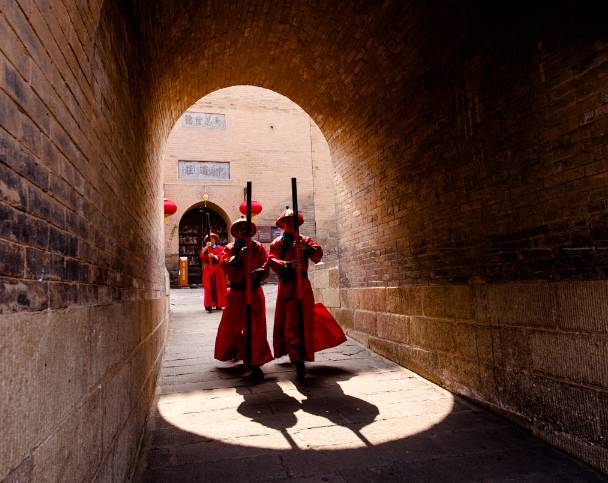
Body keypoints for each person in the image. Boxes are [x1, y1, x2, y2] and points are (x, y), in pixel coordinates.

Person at [268, 208, 346, 380]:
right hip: (286, 285)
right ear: (282, 224)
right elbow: (271, 260)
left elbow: (317, 255)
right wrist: (287, 264)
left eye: (293, 221)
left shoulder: (305, 240)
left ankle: (299, 356)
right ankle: (296, 358)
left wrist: (306, 248)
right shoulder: (277, 243)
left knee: (302, 320)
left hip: (302, 284)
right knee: (289, 321)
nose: (290, 223)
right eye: (287, 221)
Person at [214, 217, 273, 379]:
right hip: (237, 292)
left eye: (246, 228)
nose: (244, 231)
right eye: (240, 228)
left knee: (256, 327)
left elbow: (265, 263)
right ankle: (233, 350)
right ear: (236, 232)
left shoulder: (258, 247)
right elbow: (225, 265)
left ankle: (255, 360)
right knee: (231, 326)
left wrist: (259, 272)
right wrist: (239, 257)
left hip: (254, 291)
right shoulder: (230, 248)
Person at [200, 232, 227, 312]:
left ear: (215, 240)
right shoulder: (205, 248)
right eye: (209, 239)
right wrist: (206, 248)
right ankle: (209, 304)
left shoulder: (220, 247)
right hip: (209, 268)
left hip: (218, 268)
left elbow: (222, 256)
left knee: (218, 286)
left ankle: (219, 304)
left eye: (212, 238)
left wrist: (214, 256)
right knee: (209, 287)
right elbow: (202, 256)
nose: (211, 240)